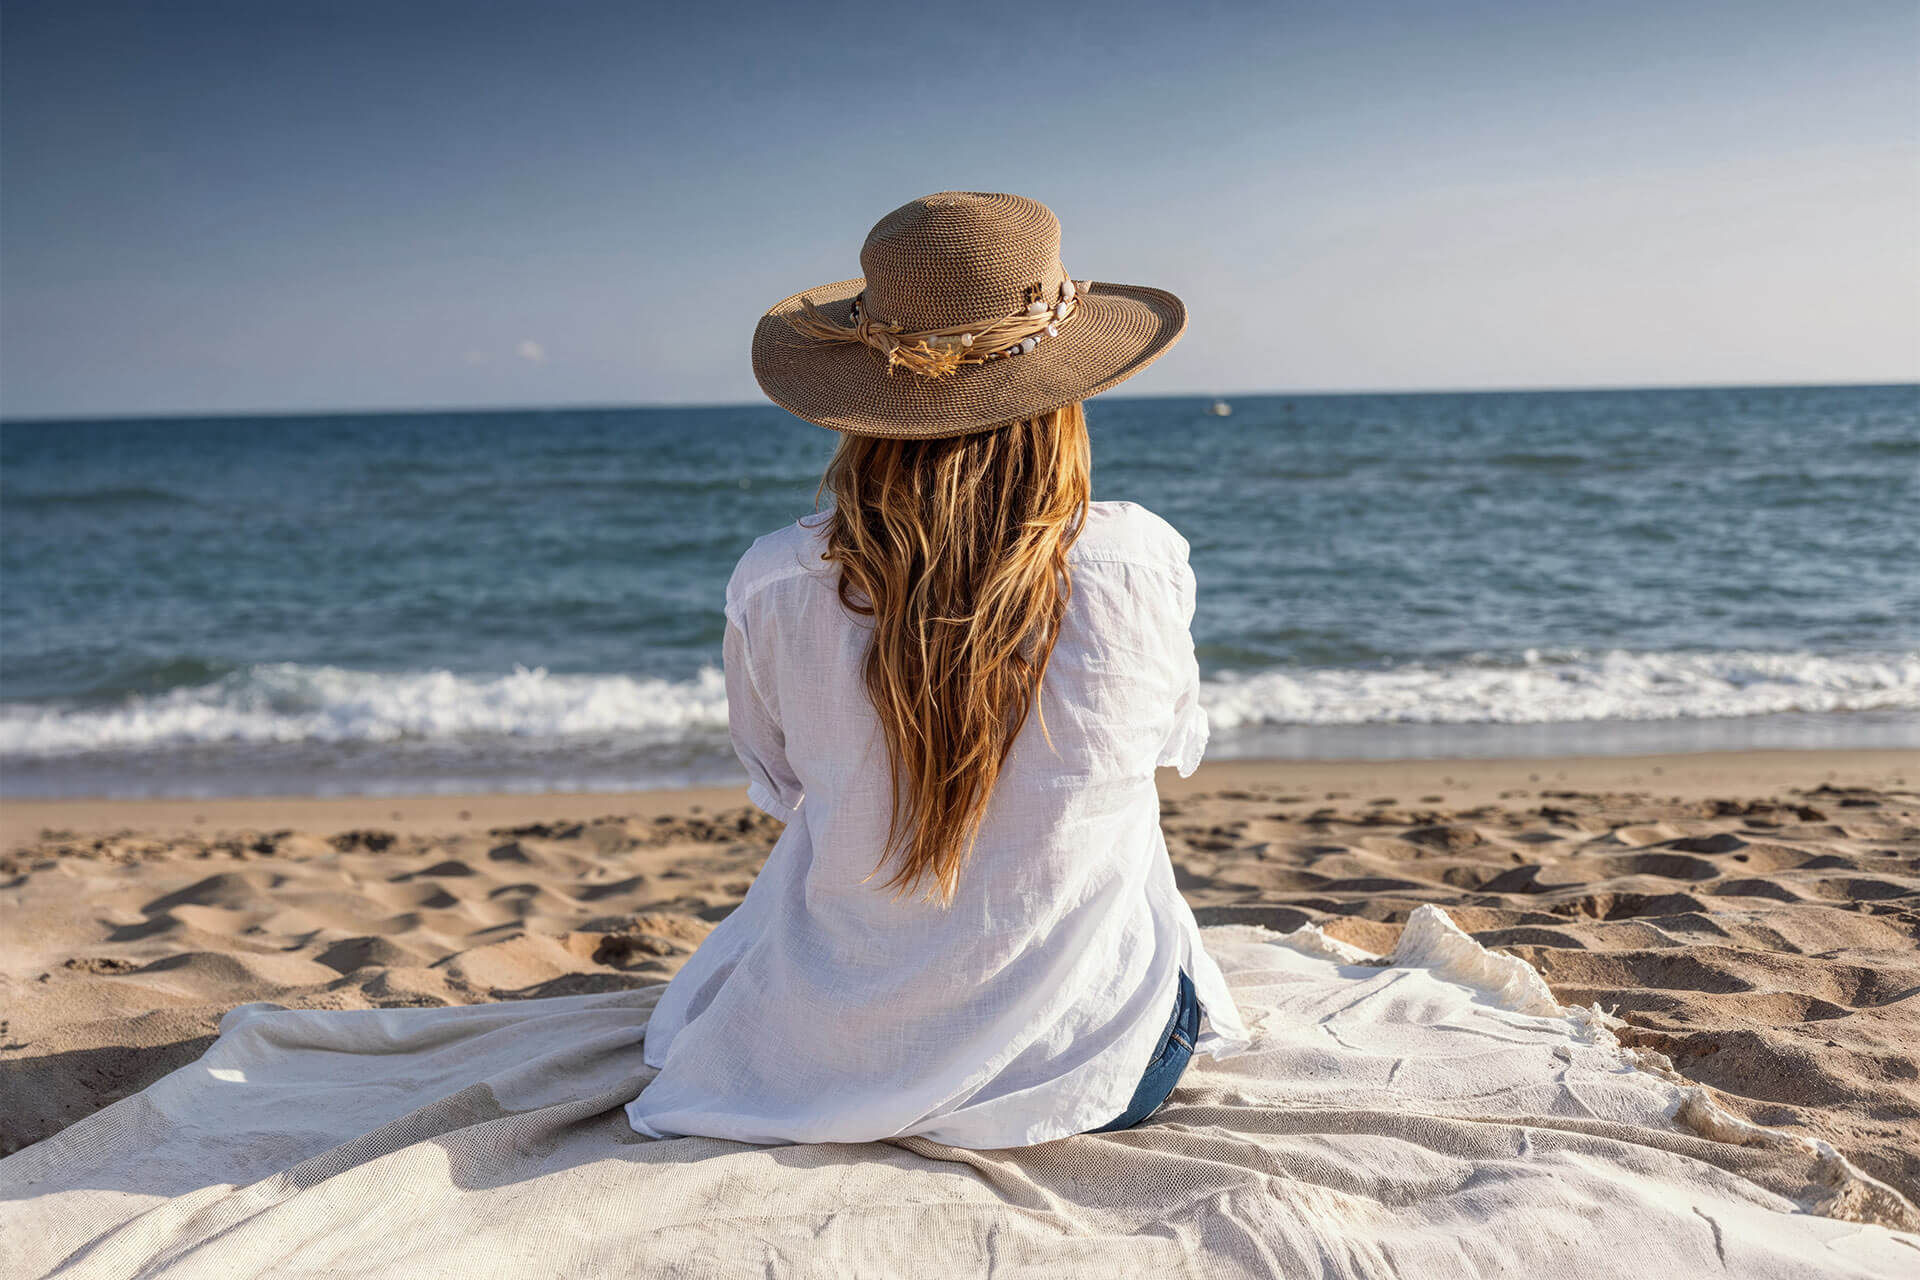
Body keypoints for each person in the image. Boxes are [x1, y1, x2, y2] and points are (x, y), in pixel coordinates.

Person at [625, 192, 1250, 1148]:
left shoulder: (774, 582)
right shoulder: (1138, 562)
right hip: (1096, 1067)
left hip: (826, 1059)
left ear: (863, 407)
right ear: (1065, 394)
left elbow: (785, 780)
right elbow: (1163, 743)